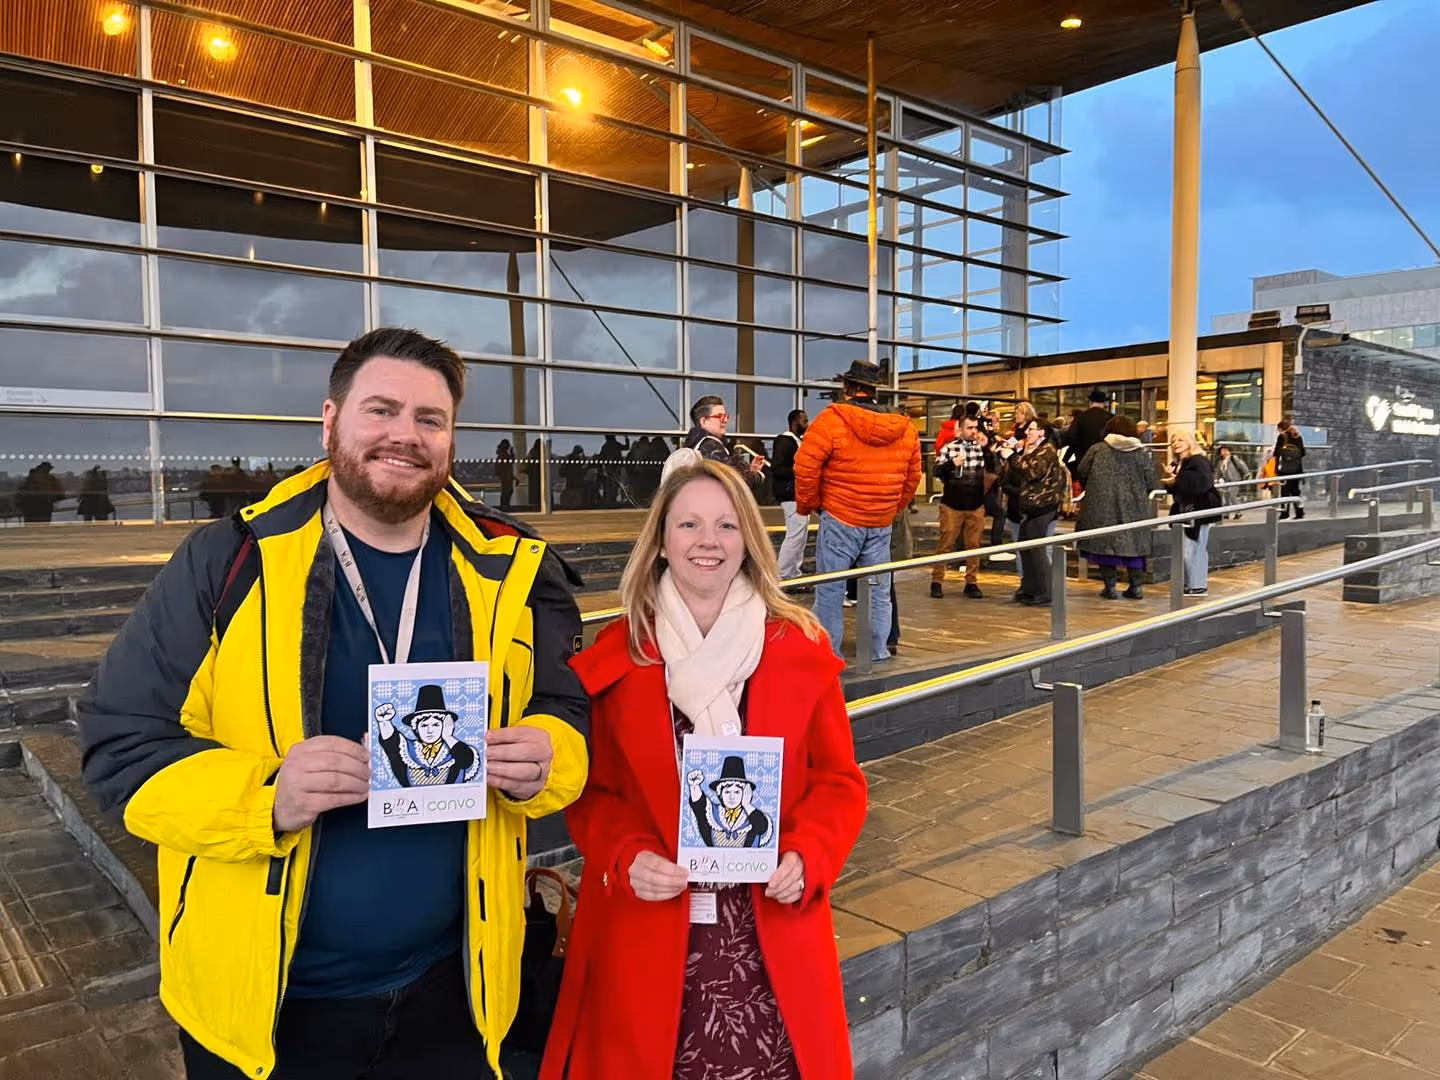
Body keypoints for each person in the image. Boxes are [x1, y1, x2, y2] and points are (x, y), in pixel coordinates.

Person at [78, 327, 591, 1080]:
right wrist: (266, 796)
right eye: (380, 410)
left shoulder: (510, 569)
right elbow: (121, 746)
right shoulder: (230, 561)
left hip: (458, 994)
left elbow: (565, 709)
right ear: (330, 422)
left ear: (450, 439)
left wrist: (549, 754)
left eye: (429, 418)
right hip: (269, 1009)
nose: (404, 435)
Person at [542, 459, 867, 1080]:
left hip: (768, 934)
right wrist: (626, 855)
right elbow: (592, 793)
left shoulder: (798, 646)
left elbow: (838, 781)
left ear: (748, 539)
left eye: (726, 524)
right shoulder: (619, 654)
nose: (707, 541)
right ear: (661, 542)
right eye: (688, 524)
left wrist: (810, 855)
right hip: (651, 931)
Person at [793, 359, 921, 664]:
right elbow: (912, 477)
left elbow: (805, 467)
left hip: (840, 516)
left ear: (847, 387)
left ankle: (828, 654)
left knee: (831, 589)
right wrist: (891, 508)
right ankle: (877, 651)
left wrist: (810, 505)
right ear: (874, 389)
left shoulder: (831, 419)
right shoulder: (904, 426)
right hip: (880, 521)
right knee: (878, 590)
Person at [1075, 415, 1157, 600]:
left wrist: (1095, 487)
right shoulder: (1141, 452)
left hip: (1102, 505)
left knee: (1106, 546)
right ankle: (1136, 587)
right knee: (1135, 546)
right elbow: (1151, 481)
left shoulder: (1098, 449)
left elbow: (1082, 470)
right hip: (1134, 507)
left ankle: (1110, 587)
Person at [998, 419, 1066, 606]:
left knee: (1037, 550)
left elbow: (1031, 472)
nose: (1027, 432)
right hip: (1031, 507)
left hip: (1043, 506)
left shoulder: (1047, 450)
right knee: (1026, 547)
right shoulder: (1035, 451)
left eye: (1031, 429)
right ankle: (1029, 588)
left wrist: (1012, 456)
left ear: (1042, 432)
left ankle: (1045, 592)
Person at [931, 413, 993, 600]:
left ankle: (971, 583)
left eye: (975, 427)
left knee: (973, 545)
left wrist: (987, 449)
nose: (973, 431)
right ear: (961, 429)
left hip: (976, 504)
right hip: (952, 505)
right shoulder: (950, 448)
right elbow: (936, 471)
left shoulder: (981, 448)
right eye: (970, 427)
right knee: (946, 542)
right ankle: (936, 581)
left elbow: (993, 469)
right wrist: (951, 464)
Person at [1164, 431, 1219, 597]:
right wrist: (1171, 479)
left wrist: (1178, 477)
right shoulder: (1179, 463)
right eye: (1173, 441)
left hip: (1199, 509)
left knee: (1194, 549)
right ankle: (1191, 584)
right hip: (1186, 509)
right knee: (1188, 549)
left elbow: (1203, 484)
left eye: (1180, 440)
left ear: (1189, 442)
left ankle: (1197, 586)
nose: (1176, 443)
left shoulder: (1198, 461)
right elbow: (1178, 488)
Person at [684, 396, 765, 485]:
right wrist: (756, 475)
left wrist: (751, 470)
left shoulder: (697, 444)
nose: (725, 420)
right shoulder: (711, 447)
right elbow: (734, 483)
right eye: (720, 416)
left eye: (726, 416)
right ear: (704, 421)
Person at [771, 409, 809, 580]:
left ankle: (794, 571)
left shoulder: (797, 441)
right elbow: (777, 468)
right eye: (804, 421)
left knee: (801, 534)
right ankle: (784, 573)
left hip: (799, 495)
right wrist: (800, 471)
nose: (807, 424)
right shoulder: (785, 441)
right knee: (795, 534)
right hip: (790, 495)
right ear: (794, 422)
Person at [1064, 389, 1113, 484]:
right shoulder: (1111, 417)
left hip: (1083, 459)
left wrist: (1067, 458)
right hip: (1105, 460)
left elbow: (1071, 438)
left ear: (1090, 402)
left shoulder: (1081, 417)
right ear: (1104, 403)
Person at [1274, 420, 1306, 519]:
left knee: (1285, 492)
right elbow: (1303, 453)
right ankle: (1300, 512)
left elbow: (1277, 453)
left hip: (1285, 470)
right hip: (1296, 469)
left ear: (1281, 428)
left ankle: (1284, 513)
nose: (1278, 431)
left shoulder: (1282, 436)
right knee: (1296, 492)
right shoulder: (1297, 436)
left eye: (1278, 429)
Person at [1216, 444, 1252, 519]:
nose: (1224, 452)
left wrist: (1247, 474)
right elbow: (1219, 473)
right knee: (1226, 498)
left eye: (1226, 450)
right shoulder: (1220, 462)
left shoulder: (1233, 458)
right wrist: (1218, 479)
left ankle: (1238, 513)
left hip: (1234, 480)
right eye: (1223, 451)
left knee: (1233, 496)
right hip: (1225, 482)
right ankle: (1226, 514)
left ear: (1229, 451)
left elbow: (1243, 466)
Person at [495, 439, 516, 511]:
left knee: (506, 492)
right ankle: (505, 507)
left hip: (506, 477)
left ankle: (504, 506)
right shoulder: (504, 454)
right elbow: (510, 462)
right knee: (507, 492)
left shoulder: (501, 454)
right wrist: (512, 454)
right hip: (506, 478)